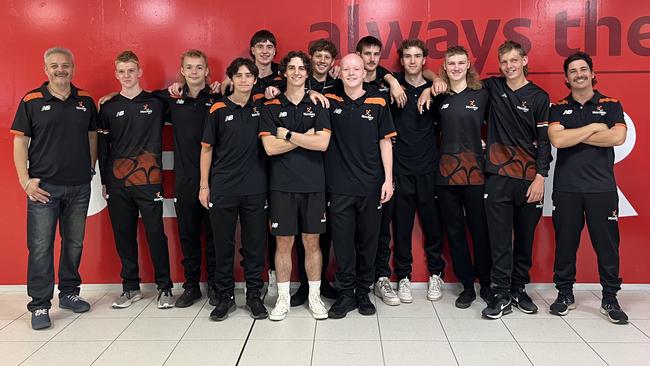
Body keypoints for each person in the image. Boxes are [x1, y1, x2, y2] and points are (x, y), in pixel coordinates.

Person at [11, 47, 97, 330]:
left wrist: (90, 169)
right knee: (39, 248)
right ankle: (39, 305)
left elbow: (92, 135)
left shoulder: (85, 100)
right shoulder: (32, 100)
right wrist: (25, 181)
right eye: (54, 65)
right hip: (43, 189)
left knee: (74, 244)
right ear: (45, 69)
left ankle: (69, 293)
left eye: (65, 65)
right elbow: (20, 142)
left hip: (79, 187)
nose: (61, 70)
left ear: (73, 67)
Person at [547, 52, 628, 324]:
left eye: (583, 69)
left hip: (601, 188)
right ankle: (564, 293)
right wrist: (594, 127)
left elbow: (617, 136)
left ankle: (610, 297)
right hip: (567, 188)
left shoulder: (612, 104)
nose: (579, 74)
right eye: (573, 71)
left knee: (607, 245)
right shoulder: (558, 107)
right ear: (566, 78)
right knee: (566, 243)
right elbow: (558, 140)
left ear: (592, 73)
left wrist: (576, 134)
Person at [98, 51, 175, 310]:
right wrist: (105, 181)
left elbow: (180, 94)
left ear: (139, 72)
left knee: (155, 234)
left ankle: (165, 288)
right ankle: (130, 287)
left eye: (131, 70)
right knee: (123, 235)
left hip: (149, 178)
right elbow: (102, 146)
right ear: (116, 74)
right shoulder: (108, 107)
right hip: (117, 181)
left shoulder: (156, 102)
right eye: (121, 71)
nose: (127, 76)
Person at [259, 51, 331, 320]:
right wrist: (304, 137)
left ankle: (314, 298)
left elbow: (322, 144)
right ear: (285, 72)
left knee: (312, 242)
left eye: (302, 68)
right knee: (284, 243)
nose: (298, 72)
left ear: (307, 73)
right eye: (292, 68)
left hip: (314, 184)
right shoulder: (270, 106)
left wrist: (287, 134)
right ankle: (283, 299)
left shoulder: (319, 105)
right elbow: (269, 148)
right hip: (281, 186)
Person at [324, 53, 396, 319]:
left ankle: (362, 292)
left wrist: (388, 179)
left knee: (368, 242)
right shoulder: (329, 100)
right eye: (347, 69)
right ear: (339, 72)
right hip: (339, 186)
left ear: (365, 72)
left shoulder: (378, 100)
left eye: (357, 69)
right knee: (342, 244)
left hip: (371, 185)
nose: (352, 73)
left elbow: (385, 142)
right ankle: (345, 295)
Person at [374, 39, 445, 306]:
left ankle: (436, 273)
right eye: (407, 56)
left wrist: (433, 83)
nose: (413, 60)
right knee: (401, 228)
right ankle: (402, 276)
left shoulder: (436, 88)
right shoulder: (391, 88)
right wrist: (393, 82)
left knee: (432, 226)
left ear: (424, 60)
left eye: (417, 56)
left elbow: (449, 81)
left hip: (429, 168)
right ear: (401, 61)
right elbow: (375, 70)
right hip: (400, 169)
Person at [200, 58, 268, 321]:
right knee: (223, 245)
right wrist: (204, 185)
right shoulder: (218, 108)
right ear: (230, 79)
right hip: (224, 187)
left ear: (254, 79)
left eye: (248, 75)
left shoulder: (262, 107)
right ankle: (225, 297)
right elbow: (206, 149)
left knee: (253, 245)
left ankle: (253, 296)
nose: (243, 80)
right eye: (237, 75)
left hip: (256, 188)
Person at [434, 46, 492, 308]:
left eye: (460, 63)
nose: (456, 67)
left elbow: (500, 127)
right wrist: (429, 86)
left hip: (477, 174)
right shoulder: (438, 95)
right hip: (446, 175)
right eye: (451, 63)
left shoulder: (483, 94)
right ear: (444, 67)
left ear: (468, 65)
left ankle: (487, 283)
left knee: (481, 231)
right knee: (455, 232)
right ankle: (467, 286)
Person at [291, 39, 340, 307]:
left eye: (327, 57)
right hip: (303, 166)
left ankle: (322, 282)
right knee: (302, 232)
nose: (322, 60)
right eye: (318, 56)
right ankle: (303, 286)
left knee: (324, 231)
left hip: (332, 167)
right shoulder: (298, 84)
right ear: (311, 59)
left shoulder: (339, 83)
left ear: (333, 62)